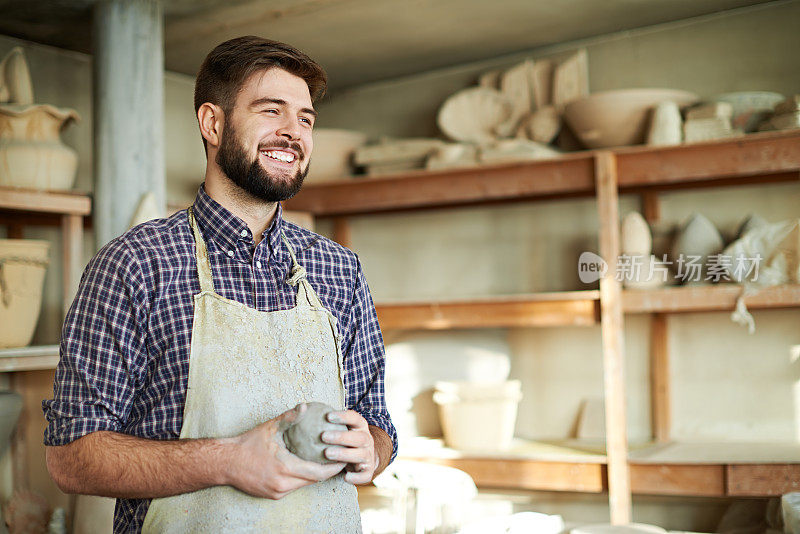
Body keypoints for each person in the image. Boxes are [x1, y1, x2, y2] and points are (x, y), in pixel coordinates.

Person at [42, 36, 396, 533]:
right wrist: (228, 460)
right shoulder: (136, 264)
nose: (292, 132)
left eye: (305, 118)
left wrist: (369, 451)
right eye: (271, 111)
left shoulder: (339, 270)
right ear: (213, 123)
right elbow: (71, 456)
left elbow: (378, 423)